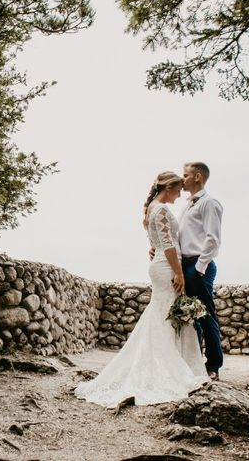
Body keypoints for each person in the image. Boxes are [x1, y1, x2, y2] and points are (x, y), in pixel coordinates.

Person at [75, 172, 208, 408]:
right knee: (168, 316)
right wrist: (178, 273)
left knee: (162, 315)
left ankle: (170, 364)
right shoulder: (163, 210)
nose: (178, 196)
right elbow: (167, 244)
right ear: (168, 187)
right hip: (167, 267)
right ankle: (169, 370)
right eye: (177, 190)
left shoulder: (152, 209)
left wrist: (159, 254)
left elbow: (157, 242)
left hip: (160, 264)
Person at [179, 162, 224, 380]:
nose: (182, 178)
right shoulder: (188, 205)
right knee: (191, 317)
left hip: (199, 265)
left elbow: (213, 239)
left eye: (185, 175)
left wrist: (199, 267)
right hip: (185, 264)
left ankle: (213, 365)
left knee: (206, 316)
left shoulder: (209, 203)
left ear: (197, 177)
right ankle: (194, 362)